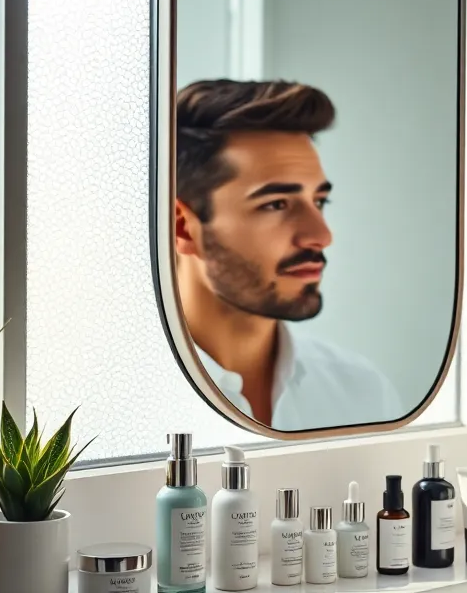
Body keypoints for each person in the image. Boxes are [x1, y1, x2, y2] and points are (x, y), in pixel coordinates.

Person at [174, 79, 406, 430]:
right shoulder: (120, 406)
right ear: (183, 227)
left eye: (319, 201)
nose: (321, 236)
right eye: (276, 204)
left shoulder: (363, 394)